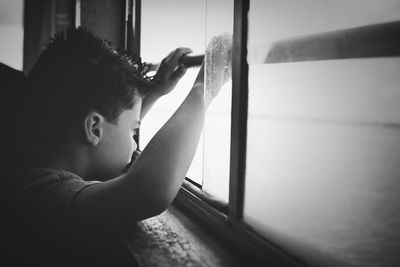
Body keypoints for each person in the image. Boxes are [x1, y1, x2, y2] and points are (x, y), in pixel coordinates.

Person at [0, 27, 231, 266]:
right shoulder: (44, 196)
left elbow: (110, 127)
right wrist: (203, 89)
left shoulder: (22, 166)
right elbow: (148, 191)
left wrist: (154, 89)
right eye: (134, 131)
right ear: (94, 128)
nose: (134, 144)